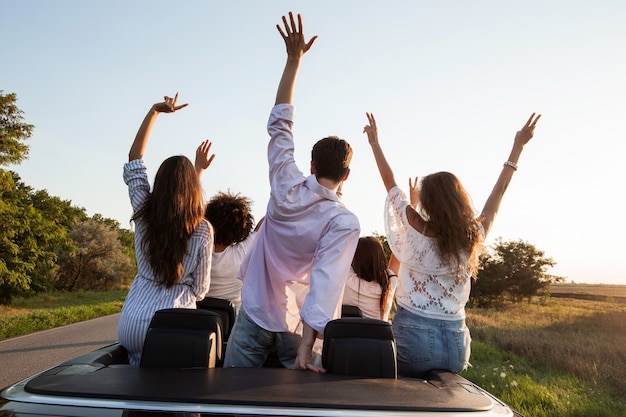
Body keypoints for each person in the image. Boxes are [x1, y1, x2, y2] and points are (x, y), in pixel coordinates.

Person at [223, 12, 360, 372]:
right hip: (296, 324)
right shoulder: (344, 223)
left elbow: (279, 125)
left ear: (311, 165)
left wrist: (293, 60)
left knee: (230, 396)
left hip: (254, 308)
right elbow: (325, 284)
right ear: (347, 174)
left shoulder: (285, 183)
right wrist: (306, 347)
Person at [363, 111, 540, 377]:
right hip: (457, 345)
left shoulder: (412, 225)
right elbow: (499, 192)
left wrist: (375, 143)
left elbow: (390, 183)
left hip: (414, 339)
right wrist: (517, 148)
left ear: (427, 202)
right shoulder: (472, 236)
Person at [117, 94, 214, 366]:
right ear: (193, 189)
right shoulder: (203, 229)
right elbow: (201, 289)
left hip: (132, 326)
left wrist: (154, 112)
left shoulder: (144, 211)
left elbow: (134, 159)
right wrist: (198, 171)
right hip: (173, 327)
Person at [201, 190, 263, 311]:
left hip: (196, 319)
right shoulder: (244, 251)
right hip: (230, 323)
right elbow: (269, 219)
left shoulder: (197, 251)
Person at [342, 236, 398, 322]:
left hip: (346, 334)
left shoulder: (346, 279)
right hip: (379, 335)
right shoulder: (388, 283)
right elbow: (398, 254)